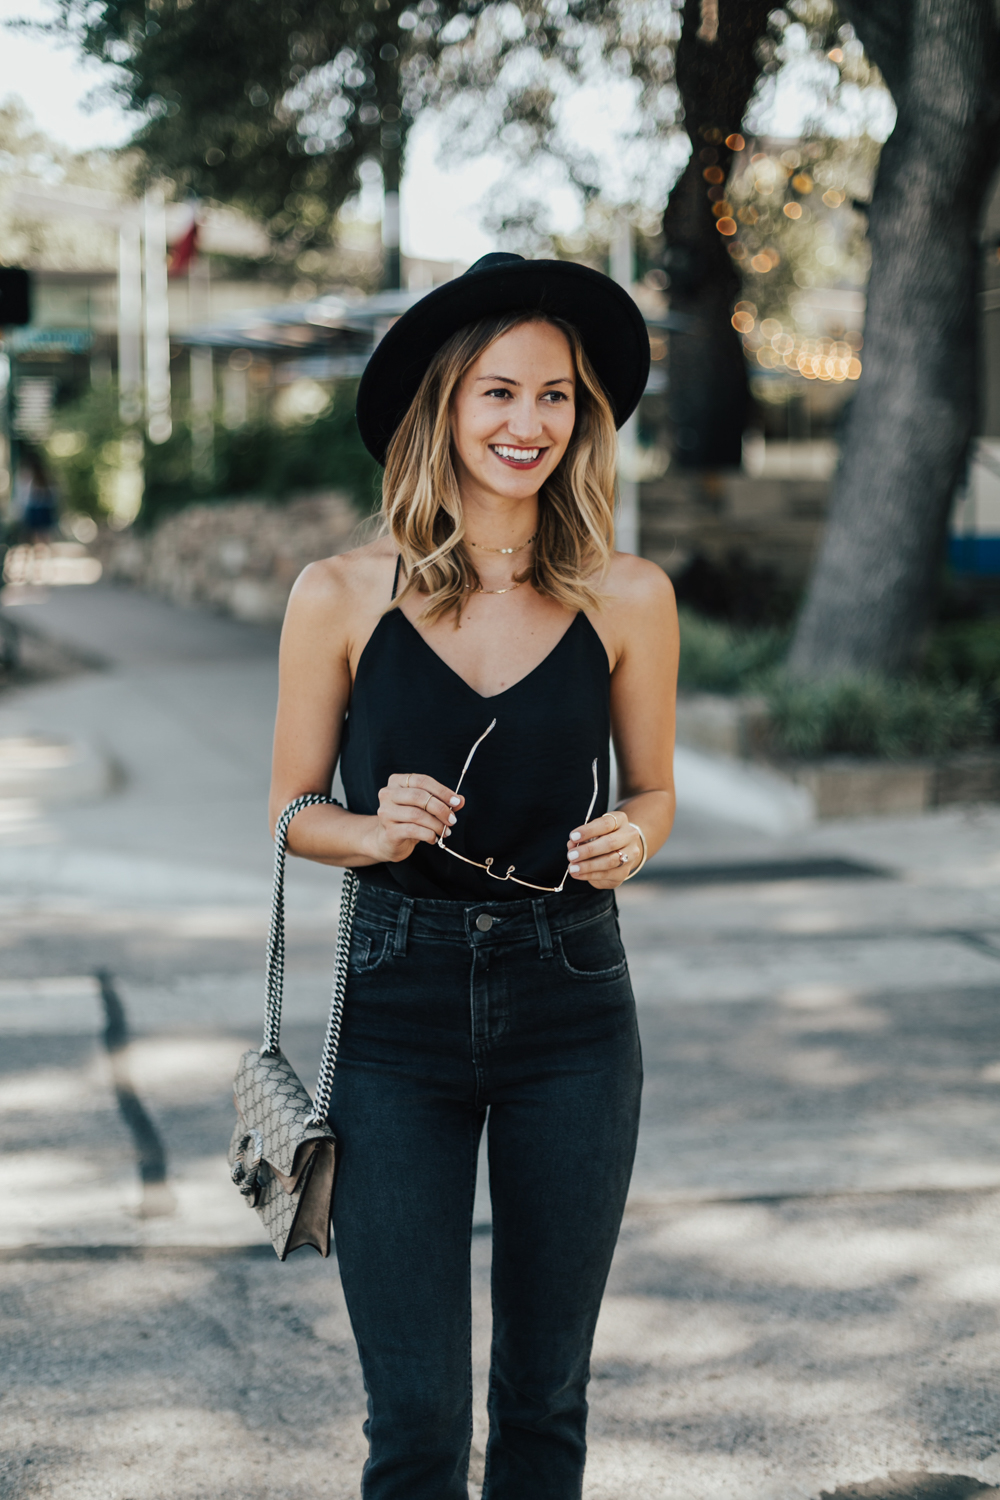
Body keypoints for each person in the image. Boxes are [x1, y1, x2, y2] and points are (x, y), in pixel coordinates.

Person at [269, 251, 679, 1500]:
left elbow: (653, 790)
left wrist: (638, 836)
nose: (529, 423)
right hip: (394, 1012)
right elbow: (293, 812)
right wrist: (372, 825)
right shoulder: (339, 594)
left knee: (547, 1399)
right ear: (445, 406)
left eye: (555, 396)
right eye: (500, 393)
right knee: (418, 1421)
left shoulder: (627, 595)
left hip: (573, 1004)